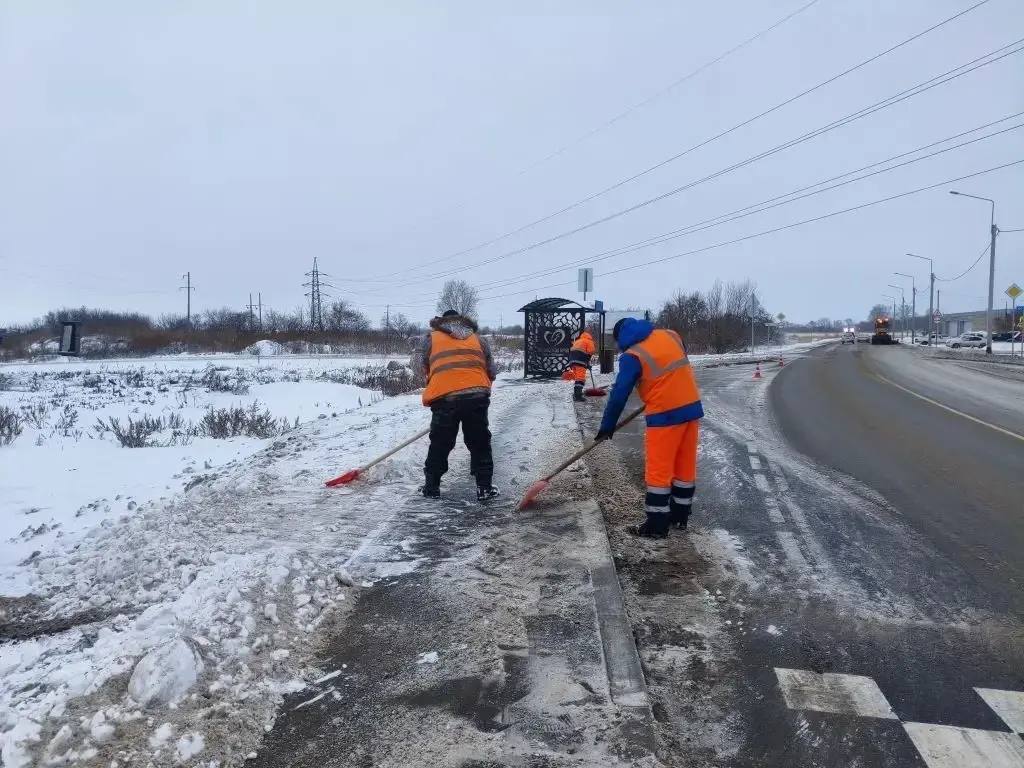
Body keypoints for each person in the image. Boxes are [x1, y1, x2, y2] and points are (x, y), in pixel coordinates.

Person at [595, 317, 703, 537]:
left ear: (620, 338)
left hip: (664, 415)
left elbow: (619, 395)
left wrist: (607, 425)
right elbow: (675, 363)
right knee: (684, 466)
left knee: (659, 472)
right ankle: (679, 517)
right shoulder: (670, 334)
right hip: (691, 408)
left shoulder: (632, 355)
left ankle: (656, 526)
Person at [417, 310, 499, 501]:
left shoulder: (431, 338)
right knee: (480, 442)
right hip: (476, 396)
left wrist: (437, 381)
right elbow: (491, 370)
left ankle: (431, 488)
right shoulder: (479, 339)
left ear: (442, 321)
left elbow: (422, 365)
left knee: (440, 443)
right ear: (464, 322)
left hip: (445, 398)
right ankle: (484, 488)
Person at [563, 328, 596, 401]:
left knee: (578, 378)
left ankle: (576, 394)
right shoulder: (589, 341)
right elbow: (590, 352)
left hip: (572, 362)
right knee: (580, 378)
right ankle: (577, 396)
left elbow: (576, 351)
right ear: (589, 336)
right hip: (580, 361)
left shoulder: (577, 341)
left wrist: (586, 364)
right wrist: (587, 363)